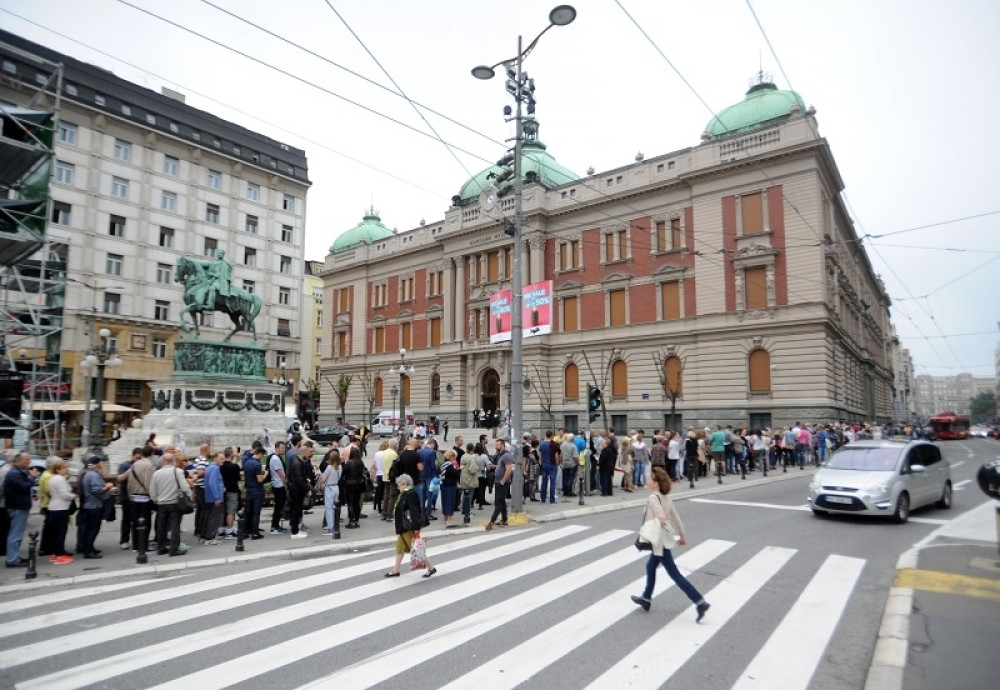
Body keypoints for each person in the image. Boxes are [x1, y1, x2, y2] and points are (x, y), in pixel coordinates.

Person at [630, 467, 710, 622]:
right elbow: (676, 517)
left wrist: (646, 529)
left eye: (651, 479)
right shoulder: (666, 497)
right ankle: (646, 598)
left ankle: (700, 602)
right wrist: (682, 535)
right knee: (650, 566)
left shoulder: (654, 497)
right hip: (662, 540)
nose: (648, 481)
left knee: (675, 574)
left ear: (656, 483)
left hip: (659, 541)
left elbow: (660, 517)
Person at [384, 473, 435, 578]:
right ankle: (396, 570)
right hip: (404, 527)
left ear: (405, 484)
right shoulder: (405, 493)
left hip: (408, 527)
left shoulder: (410, 494)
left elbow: (415, 511)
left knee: (416, 549)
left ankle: (431, 568)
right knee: (400, 548)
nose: (398, 487)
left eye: (399, 484)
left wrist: (416, 528)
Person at [150, 453, 193, 557]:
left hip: (161, 503)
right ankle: (174, 549)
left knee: (162, 526)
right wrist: (190, 495)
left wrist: (155, 499)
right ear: (173, 461)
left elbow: (152, 489)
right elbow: (184, 486)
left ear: (163, 461)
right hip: (174, 502)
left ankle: (161, 548)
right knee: (175, 526)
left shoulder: (156, 473)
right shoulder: (177, 471)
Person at [4, 452, 38, 567]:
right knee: (15, 534)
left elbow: (24, 487)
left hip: (19, 506)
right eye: (27, 459)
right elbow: (24, 486)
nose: (30, 461)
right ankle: (12, 560)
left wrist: (32, 492)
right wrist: (32, 477)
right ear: (19, 460)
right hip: (17, 507)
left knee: (17, 534)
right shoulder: (14, 474)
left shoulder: (18, 472)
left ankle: (15, 557)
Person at [78, 456, 114, 559]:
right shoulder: (93, 475)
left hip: (89, 504)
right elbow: (96, 490)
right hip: (94, 505)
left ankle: (89, 547)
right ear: (98, 463)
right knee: (93, 529)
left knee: (90, 528)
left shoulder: (87, 473)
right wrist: (107, 486)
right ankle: (88, 551)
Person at [46, 459, 75, 564]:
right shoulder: (60, 479)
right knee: (61, 532)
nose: (66, 469)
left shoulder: (53, 478)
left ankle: (56, 553)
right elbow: (64, 494)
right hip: (61, 507)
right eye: (64, 467)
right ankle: (59, 555)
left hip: (54, 507)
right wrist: (73, 496)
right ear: (57, 470)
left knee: (56, 532)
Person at [486, 438, 514, 530]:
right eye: (496, 445)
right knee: (502, 501)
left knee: (498, 502)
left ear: (503, 445)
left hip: (502, 483)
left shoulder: (506, 456)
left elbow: (509, 469)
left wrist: (503, 480)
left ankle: (492, 522)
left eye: (497, 445)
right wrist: (493, 466)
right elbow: (500, 466)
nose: (496, 446)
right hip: (499, 482)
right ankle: (504, 520)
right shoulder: (500, 455)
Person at [242, 446, 268, 540]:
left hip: (249, 490)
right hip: (257, 490)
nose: (263, 457)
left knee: (248, 512)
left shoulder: (247, 462)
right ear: (260, 454)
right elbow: (259, 479)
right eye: (263, 455)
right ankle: (255, 533)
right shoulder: (257, 464)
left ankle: (245, 531)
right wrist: (265, 474)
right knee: (256, 513)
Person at [201, 451, 225, 545]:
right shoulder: (215, 468)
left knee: (209, 517)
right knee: (215, 518)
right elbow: (212, 483)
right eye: (221, 459)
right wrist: (217, 497)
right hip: (214, 497)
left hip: (209, 497)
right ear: (215, 458)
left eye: (223, 459)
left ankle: (205, 536)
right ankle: (210, 537)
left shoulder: (210, 467)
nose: (222, 460)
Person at [316, 449, 342, 537]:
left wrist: (319, 472)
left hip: (329, 488)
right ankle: (334, 525)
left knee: (329, 509)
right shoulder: (340, 467)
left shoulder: (329, 467)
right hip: (336, 487)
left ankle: (330, 528)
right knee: (335, 508)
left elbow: (323, 478)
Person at [342, 444, 365, 529]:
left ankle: (351, 521)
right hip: (359, 484)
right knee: (356, 503)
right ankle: (357, 520)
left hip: (350, 484)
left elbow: (344, 473)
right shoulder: (361, 463)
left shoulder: (349, 463)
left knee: (350, 503)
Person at [268, 441, 288, 534]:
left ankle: (276, 525)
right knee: (279, 506)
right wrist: (286, 483)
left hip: (278, 484)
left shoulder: (276, 458)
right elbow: (280, 473)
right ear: (276, 448)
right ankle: (274, 527)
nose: (284, 449)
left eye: (284, 448)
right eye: (282, 448)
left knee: (279, 506)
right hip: (278, 485)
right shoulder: (275, 459)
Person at [439, 449, 461, 526]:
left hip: (443, 484)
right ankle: (448, 518)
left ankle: (446, 516)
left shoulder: (443, 464)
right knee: (449, 501)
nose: (454, 458)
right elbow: (454, 473)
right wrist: (459, 469)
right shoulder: (449, 465)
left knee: (445, 501)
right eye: (454, 457)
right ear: (450, 456)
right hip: (449, 485)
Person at [459, 442, 479, 525]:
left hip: (463, 477)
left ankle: (463, 509)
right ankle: (467, 511)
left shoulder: (463, 456)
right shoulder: (471, 458)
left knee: (465, 495)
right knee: (469, 496)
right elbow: (472, 470)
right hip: (470, 479)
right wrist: (477, 468)